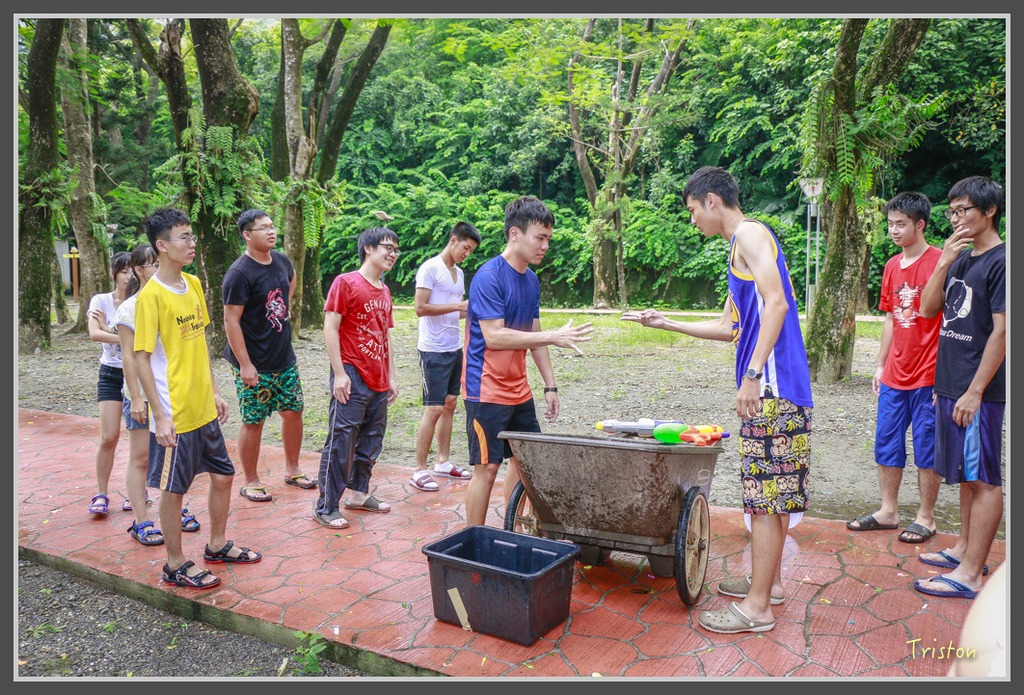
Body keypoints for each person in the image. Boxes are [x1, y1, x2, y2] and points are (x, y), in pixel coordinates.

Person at [622, 166, 813, 634]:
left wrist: (752, 375)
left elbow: (777, 303)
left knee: (764, 501)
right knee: (772, 496)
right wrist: (666, 324)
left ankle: (757, 608)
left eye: (692, 210)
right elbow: (730, 327)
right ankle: (768, 585)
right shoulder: (739, 249)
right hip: (780, 387)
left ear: (711, 200)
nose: (692, 221)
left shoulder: (749, 233)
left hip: (772, 387)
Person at [134, 208, 262, 589]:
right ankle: (174, 564)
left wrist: (215, 391)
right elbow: (141, 358)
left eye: (192, 236)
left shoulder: (191, 284)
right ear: (162, 245)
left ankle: (217, 545)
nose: (192, 243)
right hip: (176, 413)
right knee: (173, 490)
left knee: (224, 476)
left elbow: (201, 344)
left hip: (204, 408)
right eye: (184, 237)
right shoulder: (150, 297)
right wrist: (159, 415)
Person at [462, 196, 593, 528]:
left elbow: (533, 334)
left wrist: (550, 385)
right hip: (485, 389)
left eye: (548, 239)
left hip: (518, 390)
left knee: (524, 462)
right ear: (514, 234)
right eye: (540, 238)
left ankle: (515, 527)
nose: (545, 246)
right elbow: (494, 336)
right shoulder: (488, 277)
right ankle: (474, 538)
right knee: (487, 468)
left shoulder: (531, 280)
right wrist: (552, 336)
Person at [914, 176, 1005, 601]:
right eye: (950, 212)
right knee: (968, 475)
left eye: (962, 210)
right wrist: (944, 262)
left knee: (983, 478)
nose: (954, 219)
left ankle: (970, 575)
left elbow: (1004, 332)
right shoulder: (963, 258)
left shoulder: (1003, 261)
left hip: (978, 390)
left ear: (989, 210)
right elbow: (928, 310)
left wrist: (975, 391)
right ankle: (965, 550)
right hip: (951, 383)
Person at [846, 192, 943, 544]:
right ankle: (889, 511)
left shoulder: (941, 262)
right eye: (890, 224)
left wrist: (947, 376)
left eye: (901, 224)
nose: (894, 230)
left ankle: (926, 517)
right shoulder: (890, 266)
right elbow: (889, 318)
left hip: (930, 373)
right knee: (886, 441)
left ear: (920, 224)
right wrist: (879, 364)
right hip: (894, 374)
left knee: (927, 445)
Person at [313, 227, 400, 528]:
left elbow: (384, 335)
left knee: (372, 439)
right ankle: (326, 506)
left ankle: (359, 495)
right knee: (341, 441)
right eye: (387, 247)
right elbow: (330, 327)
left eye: (396, 250)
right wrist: (339, 374)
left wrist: (391, 377)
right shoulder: (346, 282)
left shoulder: (384, 290)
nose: (393, 254)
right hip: (351, 372)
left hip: (378, 377)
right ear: (368, 248)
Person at [223, 209, 312, 503]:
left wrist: (283, 309)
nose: (271, 231)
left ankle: (293, 469)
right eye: (263, 228)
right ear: (247, 235)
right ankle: (251, 481)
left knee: (293, 411)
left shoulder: (282, 261)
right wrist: (245, 364)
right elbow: (231, 321)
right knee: (254, 420)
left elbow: (291, 281)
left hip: (283, 357)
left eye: (272, 226)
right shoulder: (239, 274)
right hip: (253, 363)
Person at [410, 221, 481, 492]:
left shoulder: (459, 273)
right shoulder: (430, 268)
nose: (467, 254)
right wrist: (457, 305)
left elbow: (457, 312)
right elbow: (420, 308)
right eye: (465, 247)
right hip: (432, 349)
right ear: (453, 240)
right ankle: (419, 469)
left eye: (471, 250)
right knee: (434, 408)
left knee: (450, 404)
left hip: (454, 346)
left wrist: (475, 311)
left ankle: (442, 461)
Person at [85, 251, 132, 516]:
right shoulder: (101, 300)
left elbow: (146, 339)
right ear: (113, 273)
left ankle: (137, 491)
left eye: (132, 270)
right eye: (124, 271)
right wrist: (115, 334)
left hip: (137, 374)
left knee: (139, 438)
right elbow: (94, 334)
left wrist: (109, 329)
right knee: (109, 436)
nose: (129, 276)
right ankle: (101, 493)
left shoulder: (142, 300)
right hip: (111, 374)